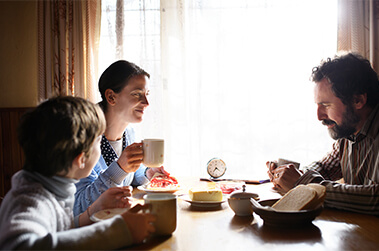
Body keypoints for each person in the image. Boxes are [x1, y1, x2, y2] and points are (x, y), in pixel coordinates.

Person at [0, 96, 155, 249]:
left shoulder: (53, 187)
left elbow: (58, 230)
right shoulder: (32, 201)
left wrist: (93, 211)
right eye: (99, 141)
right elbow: (18, 246)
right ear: (81, 159)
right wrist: (120, 231)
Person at [267, 52, 379, 215]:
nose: (319, 116)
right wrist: (287, 174)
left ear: (358, 101)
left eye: (326, 105)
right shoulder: (348, 133)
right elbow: (325, 168)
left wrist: (301, 183)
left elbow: (376, 199)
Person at [74, 60, 168, 216]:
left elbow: (129, 177)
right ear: (111, 97)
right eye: (137, 94)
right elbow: (79, 207)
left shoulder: (129, 133)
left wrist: (147, 173)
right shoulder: (83, 139)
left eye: (147, 94)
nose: (146, 102)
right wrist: (120, 168)